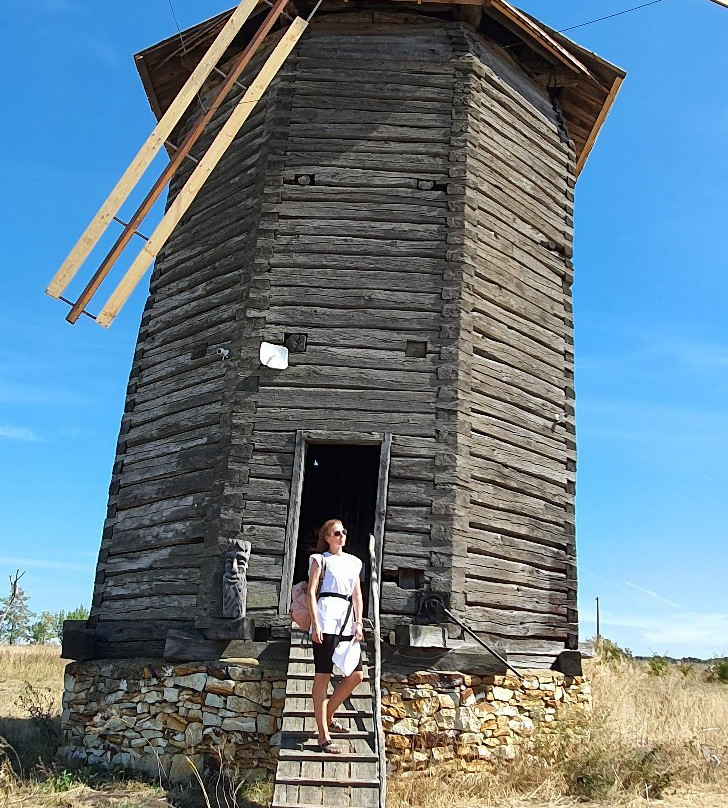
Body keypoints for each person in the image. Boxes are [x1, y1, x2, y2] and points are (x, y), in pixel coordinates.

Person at [307, 518, 364, 754]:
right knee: (323, 675)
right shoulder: (320, 559)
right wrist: (315, 623)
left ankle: (328, 715)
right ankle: (323, 735)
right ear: (327, 537)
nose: (341, 536)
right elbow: (311, 592)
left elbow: (357, 595)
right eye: (336, 533)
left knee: (356, 675)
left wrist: (359, 622)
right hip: (326, 617)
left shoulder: (354, 562)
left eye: (344, 532)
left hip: (347, 622)